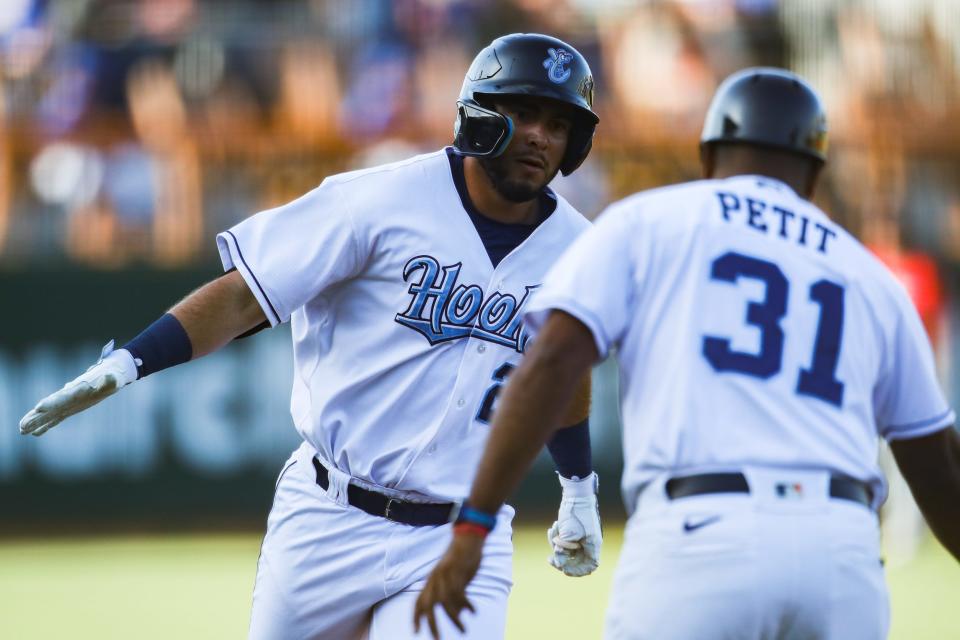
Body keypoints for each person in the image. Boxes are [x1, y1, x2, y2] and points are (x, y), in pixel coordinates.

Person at [20, 33, 605, 640]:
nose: (541, 134)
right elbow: (247, 294)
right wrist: (129, 363)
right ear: (480, 113)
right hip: (328, 516)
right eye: (524, 112)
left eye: (559, 124)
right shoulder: (379, 200)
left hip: (461, 534)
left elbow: (564, 371)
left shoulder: (581, 250)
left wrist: (579, 486)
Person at [414, 67, 960, 640]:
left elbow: (551, 365)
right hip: (843, 550)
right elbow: (939, 467)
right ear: (814, 172)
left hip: (703, 534)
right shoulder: (871, 278)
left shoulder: (651, 221)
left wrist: (475, 522)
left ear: (709, 156)